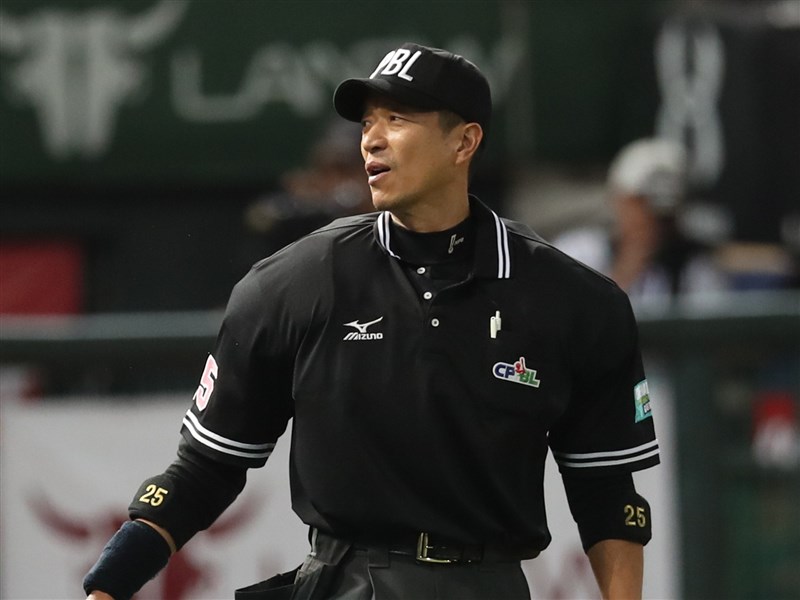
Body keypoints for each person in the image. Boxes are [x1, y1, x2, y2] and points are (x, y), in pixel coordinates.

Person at [84, 42, 660, 600]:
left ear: (464, 141)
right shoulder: (295, 281)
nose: (372, 140)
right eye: (367, 123)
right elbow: (205, 469)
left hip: (490, 584)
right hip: (346, 582)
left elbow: (607, 492)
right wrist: (109, 584)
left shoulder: (572, 299)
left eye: (397, 119)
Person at [553, 137, 728, 310]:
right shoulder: (580, 253)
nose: (654, 222)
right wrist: (627, 268)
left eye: (665, 214)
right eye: (642, 206)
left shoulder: (696, 268)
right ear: (620, 200)